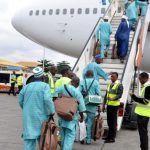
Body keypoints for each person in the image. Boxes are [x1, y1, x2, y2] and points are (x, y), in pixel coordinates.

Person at [18, 67, 55, 150]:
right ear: (42, 77)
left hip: (28, 117)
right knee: (42, 139)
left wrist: (26, 109)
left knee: (29, 140)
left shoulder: (26, 87)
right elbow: (47, 99)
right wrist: (52, 111)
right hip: (41, 117)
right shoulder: (45, 86)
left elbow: (20, 101)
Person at [55, 76, 86, 150]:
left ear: (71, 81)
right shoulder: (77, 93)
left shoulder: (62, 87)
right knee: (69, 137)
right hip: (71, 118)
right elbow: (81, 108)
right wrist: (81, 117)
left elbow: (54, 96)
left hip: (62, 116)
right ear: (78, 83)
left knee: (62, 136)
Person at [79, 70, 101, 144]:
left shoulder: (82, 82)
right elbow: (98, 94)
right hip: (92, 105)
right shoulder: (96, 82)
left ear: (86, 75)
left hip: (83, 104)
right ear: (93, 75)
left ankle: (82, 138)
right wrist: (99, 106)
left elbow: (79, 93)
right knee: (90, 122)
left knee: (82, 121)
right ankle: (88, 140)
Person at [130, 72, 150, 150]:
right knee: (143, 133)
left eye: (140, 79)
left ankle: (144, 148)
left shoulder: (148, 87)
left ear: (145, 78)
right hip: (143, 114)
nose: (139, 80)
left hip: (143, 114)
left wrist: (134, 97)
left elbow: (145, 101)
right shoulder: (145, 86)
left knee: (143, 134)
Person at [102, 72, 123, 143]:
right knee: (109, 121)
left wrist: (113, 98)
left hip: (114, 106)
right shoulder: (109, 84)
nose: (111, 78)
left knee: (113, 122)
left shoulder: (119, 85)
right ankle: (108, 136)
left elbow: (119, 95)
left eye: (113, 77)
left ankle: (112, 138)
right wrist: (103, 104)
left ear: (117, 77)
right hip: (109, 105)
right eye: (111, 77)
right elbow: (106, 95)